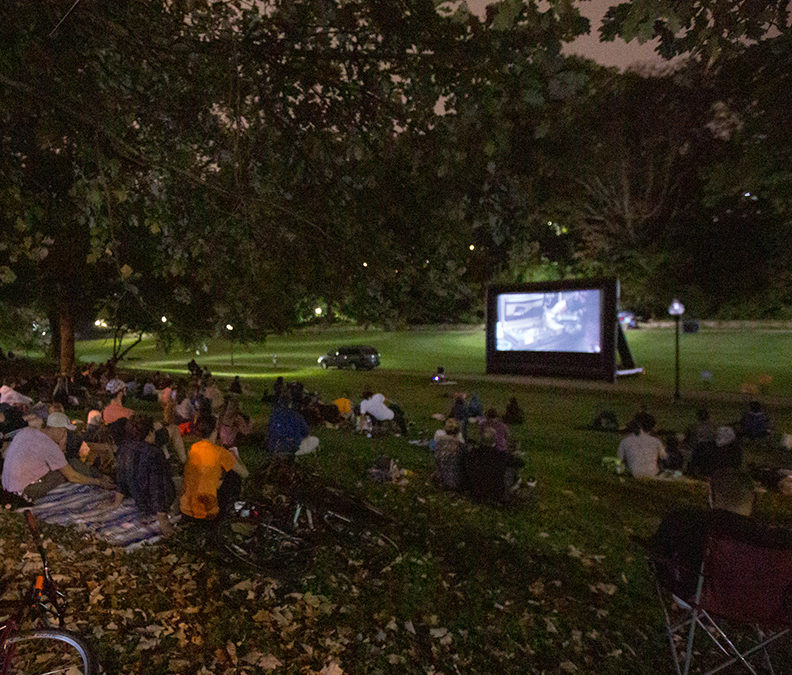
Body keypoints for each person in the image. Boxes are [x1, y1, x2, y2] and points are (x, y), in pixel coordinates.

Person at [650, 468, 792, 599]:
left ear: (711, 495)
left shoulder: (683, 519)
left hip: (700, 597)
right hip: (762, 605)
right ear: (753, 498)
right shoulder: (779, 539)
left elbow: (657, 553)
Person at [1, 419, 114, 500]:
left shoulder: (27, 432)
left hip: (7, 486)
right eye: (64, 431)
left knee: (65, 465)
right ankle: (100, 478)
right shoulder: (49, 445)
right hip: (23, 492)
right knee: (66, 471)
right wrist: (98, 483)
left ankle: (98, 475)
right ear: (57, 429)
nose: (65, 435)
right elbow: (73, 476)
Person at [111, 415, 175, 536]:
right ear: (150, 433)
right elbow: (158, 487)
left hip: (138, 499)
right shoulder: (154, 453)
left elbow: (121, 479)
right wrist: (163, 520)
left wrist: (116, 504)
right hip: (151, 505)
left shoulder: (124, 448)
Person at [180, 415, 249, 522]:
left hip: (186, 510)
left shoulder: (193, 448)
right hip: (208, 514)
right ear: (215, 430)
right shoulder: (220, 453)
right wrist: (236, 456)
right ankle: (229, 510)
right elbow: (245, 473)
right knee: (234, 475)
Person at [617, 412, 667, 478]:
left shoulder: (625, 441)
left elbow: (619, 460)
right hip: (653, 474)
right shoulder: (656, 441)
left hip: (634, 473)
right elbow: (664, 457)